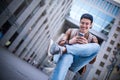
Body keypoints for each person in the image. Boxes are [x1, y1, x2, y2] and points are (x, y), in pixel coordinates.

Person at [48, 13, 100, 80]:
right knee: (68, 55)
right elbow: (59, 44)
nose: (84, 25)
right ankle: (66, 50)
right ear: (79, 22)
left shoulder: (93, 39)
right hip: (66, 57)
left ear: (91, 25)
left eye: (87, 24)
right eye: (82, 23)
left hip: (77, 63)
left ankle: (65, 49)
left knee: (97, 47)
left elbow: (91, 61)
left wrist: (86, 46)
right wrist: (70, 42)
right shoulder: (71, 31)